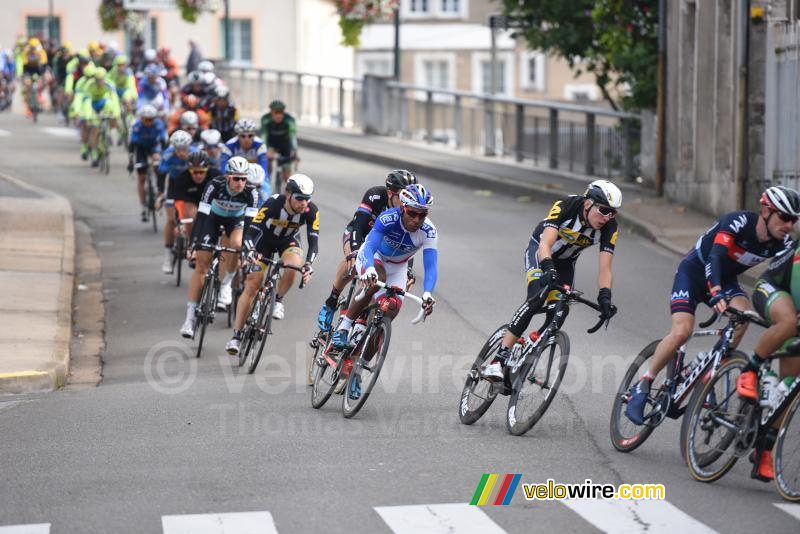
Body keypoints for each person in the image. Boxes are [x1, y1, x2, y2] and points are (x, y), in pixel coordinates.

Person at [625, 186, 799, 426]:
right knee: (682, 332)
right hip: (694, 273)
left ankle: (711, 368)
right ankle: (643, 383)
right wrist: (715, 292)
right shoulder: (738, 221)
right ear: (766, 211)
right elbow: (714, 257)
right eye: (785, 217)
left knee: (744, 316)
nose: (789, 225)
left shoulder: (782, 242)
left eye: (794, 220)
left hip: (726, 281)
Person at [481, 180, 621, 382]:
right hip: (541, 253)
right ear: (588, 204)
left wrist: (605, 297)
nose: (607, 217)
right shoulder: (567, 205)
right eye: (605, 210)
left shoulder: (610, 228)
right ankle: (498, 360)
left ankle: (530, 348)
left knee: (560, 310)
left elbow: (605, 268)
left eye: (613, 213)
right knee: (537, 296)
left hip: (565, 264)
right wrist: (547, 268)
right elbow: (545, 244)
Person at [225, 174, 318, 355]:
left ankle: (278, 300)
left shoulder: (311, 211)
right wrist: (250, 250)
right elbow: (251, 231)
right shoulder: (273, 203)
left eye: (307, 199)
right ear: (288, 194)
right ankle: (236, 336)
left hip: (288, 242)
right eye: (299, 198)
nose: (304, 203)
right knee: (252, 285)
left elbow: (314, 241)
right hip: (263, 242)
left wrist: (309, 264)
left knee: (292, 268)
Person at [317, 169, 417, 332]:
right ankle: (331, 301)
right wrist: (355, 251)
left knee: (378, 280)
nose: (408, 201)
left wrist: (409, 270)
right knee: (353, 264)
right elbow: (358, 225)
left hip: (383, 245)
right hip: (360, 234)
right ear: (390, 193)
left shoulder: (409, 212)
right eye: (403, 196)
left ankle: (361, 322)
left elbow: (407, 244)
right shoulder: (375, 195)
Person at [180, 156, 259, 338]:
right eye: (236, 178)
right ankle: (189, 319)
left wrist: (249, 248)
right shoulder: (213, 186)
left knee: (237, 244)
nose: (240, 182)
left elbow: (249, 224)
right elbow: (200, 217)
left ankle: (226, 284)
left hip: (236, 222)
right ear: (227, 176)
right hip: (212, 220)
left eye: (244, 178)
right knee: (201, 266)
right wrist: (193, 244)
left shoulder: (251, 192)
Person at [745, 227, 800, 481]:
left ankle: (764, 449)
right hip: (775, 288)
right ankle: (751, 369)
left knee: (791, 386)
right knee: (789, 321)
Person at [158, 130, 195, 273]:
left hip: (190, 184)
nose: (181, 152)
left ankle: (192, 248)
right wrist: (160, 194)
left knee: (192, 217)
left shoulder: (195, 153)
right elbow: (161, 175)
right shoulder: (167, 154)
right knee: (171, 219)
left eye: (184, 149)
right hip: (173, 184)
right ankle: (167, 257)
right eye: (178, 149)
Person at [172, 151, 221, 243]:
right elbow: (178, 203)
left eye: (201, 172)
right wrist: (180, 222)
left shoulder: (216, 176)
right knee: (191, 214)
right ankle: (192, 242)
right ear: (189, 170)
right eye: (194, 172)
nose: (198, 175)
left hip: (210, 202)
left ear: (208, 168)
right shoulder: (182, 178)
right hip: (191, 201)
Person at [128, 104, 167, 220]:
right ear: (141, 118)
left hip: (153, 147)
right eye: (146, 120)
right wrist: (130, 161)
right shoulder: (137, 126)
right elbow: (132, 145)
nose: (149, 122)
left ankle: (159, 191)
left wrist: (163, 157)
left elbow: (163, 141)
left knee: (157, 163)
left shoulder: (159, 125)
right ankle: (143, 206)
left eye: (151, 119)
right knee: (141, 178)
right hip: (141, 149)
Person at [78, 67, 121, 167]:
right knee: (93, 129)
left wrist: (116, 114)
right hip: (92, 105)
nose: (100, 82)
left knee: (110, 110)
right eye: (98, 80)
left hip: (102, 104)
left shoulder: (109, 85)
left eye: (102, 79)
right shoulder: (89, 85)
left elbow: (114, 100)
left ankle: (108, 134)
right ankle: (93, 153)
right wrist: (88, 117)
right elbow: (87, 102)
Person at [260, 100, 298, 188]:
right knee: (267, 160)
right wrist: (264, 150)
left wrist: (295, 154)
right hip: (271, 144)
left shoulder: (289, 120)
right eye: (276, 113)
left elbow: (293, 138)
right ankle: (267, 180)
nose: (278, 115)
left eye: (281, 112)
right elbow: (263, 136)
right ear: (271, 112)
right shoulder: (265, 119)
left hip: (285, 146)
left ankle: (287, 194)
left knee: (287, 175)